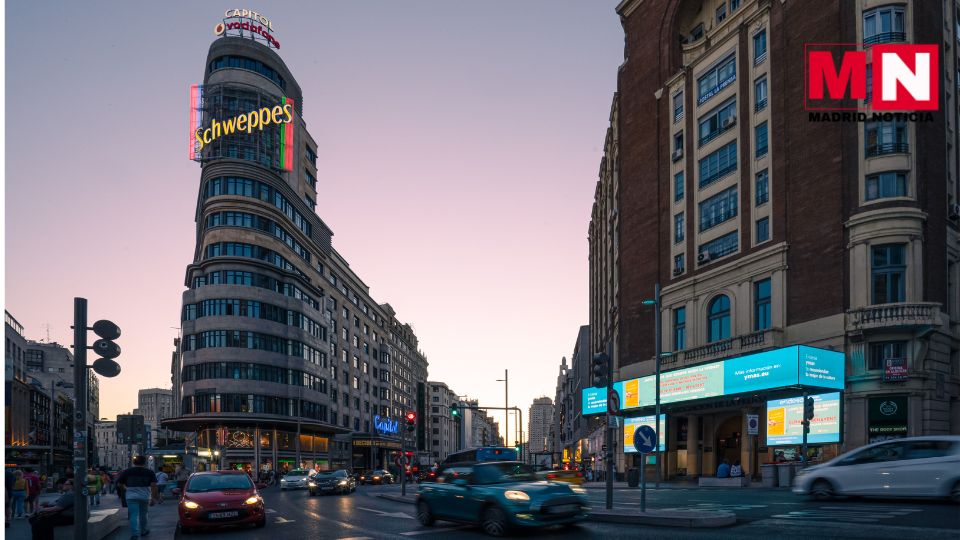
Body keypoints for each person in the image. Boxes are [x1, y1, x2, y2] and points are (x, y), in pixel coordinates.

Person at [117, 456, 158, 540]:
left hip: (131, 497)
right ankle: (143, 531)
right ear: (144, 462)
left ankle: (134, 534)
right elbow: (154, 486)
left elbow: (119, 484)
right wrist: (154, 498)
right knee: (144, 514)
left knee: (133, 515)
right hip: (144, 496)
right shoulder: (150, 472)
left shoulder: (127, 472)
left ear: (134, 462)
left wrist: (126, 489)